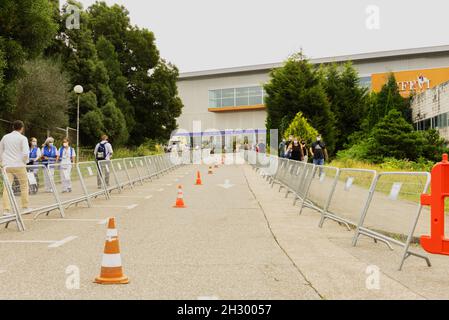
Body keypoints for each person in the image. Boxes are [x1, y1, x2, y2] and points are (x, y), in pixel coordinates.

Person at [0, 120, 30, 215]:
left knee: (7, 187)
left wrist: (1, 162)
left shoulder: (5, 137)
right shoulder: (23, 138)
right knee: (24, 186)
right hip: (19, 165)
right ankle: (25, 207)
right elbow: (25, 153)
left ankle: (6, 210)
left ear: (13, 127)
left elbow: (0, 150)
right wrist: (25, 162)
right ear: (22, 128)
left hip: (7, 166)